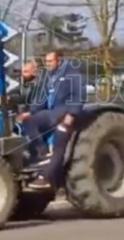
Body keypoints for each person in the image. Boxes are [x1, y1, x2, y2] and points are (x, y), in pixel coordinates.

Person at [18, 51, 85, 190]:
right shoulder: (49, 76)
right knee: (29, 121)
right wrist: (29, 113)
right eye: (46, 62)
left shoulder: (72, 74)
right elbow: (42, 98)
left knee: (59, 143)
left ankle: (46, 177)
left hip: (64, 113)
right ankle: (42, 153)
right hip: (50, 113)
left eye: (50, 62)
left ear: (59, 61)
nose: (47, 65)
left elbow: (79, 94)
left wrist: (71, 114)